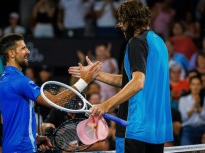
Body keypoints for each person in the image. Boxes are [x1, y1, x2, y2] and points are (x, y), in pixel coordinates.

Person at [69, 1, 173, 153]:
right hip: (156, 130)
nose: (120, 26)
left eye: (122, 21)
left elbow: (138, 83)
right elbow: (131, 80)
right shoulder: (159, 43)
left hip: (134, 127)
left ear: (131, 20)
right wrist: (96, 75)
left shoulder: (136, 42)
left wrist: (105, 105)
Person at [0, 33, 100, 152]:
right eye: (23, 48)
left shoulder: (4, 79)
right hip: (21, 149)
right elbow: (54, 101)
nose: (28, 51)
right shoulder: (18, 81)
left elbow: (7, 119)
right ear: (12, 53)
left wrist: (34, 137)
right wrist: (85, 81)